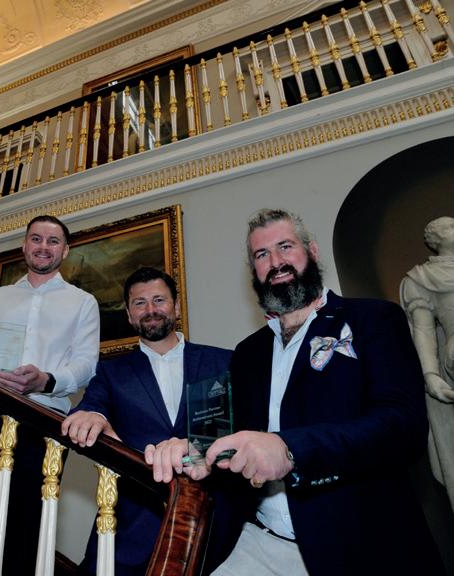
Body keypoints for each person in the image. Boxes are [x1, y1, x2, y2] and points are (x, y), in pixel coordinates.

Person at [146, 208, 444, 576]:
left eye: (285, 247)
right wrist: (194, 451)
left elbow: (403, 426)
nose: (275, 262)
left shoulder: (373, 319)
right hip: (261, 540)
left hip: (359, 543)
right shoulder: (248, 353)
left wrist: (290, 449)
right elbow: (228, 439)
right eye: (262, 254)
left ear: (312, 251)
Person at [61, 266, 233, 576]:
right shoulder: (111, 372)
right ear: (129, 315)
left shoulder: (222, 361)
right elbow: (91, 408)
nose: (150, 309)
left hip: (215, 522)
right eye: (139, 303)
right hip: (132, 526)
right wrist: (91, 415)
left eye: (159, 300)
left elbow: (247, 426)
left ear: (176, 306)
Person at [0, 214, 100, 574]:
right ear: (24, 246)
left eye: (53, 241)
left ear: (65, 251)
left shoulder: (83, 302)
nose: (43, 246)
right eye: (36, 239)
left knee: (26, 517)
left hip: (45, 419)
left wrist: (46, 380)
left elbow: (86, 364)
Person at [400, 215, 454, 513]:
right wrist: (430, 375)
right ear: (435, 239)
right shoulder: (422, 278)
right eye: (451, 226)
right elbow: (422, 329)